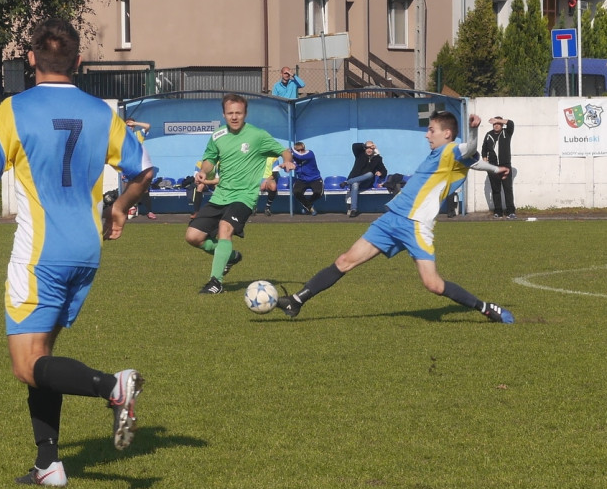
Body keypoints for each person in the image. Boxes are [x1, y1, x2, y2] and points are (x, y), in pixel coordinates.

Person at [0, 17, 155, 487]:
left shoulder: (14, 110)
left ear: (30, 59)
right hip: (86, 250)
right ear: (78, 61)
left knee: (26, 365)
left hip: (40, 251)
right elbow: (143, 170)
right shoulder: (101, 113)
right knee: (43, 356)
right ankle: (48, 463)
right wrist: (119, 211)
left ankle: (112, 386)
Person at [275, 112, 514, 323]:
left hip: (416, 225)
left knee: (433, 284)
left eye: (431, 130)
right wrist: (495, 169)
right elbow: (477, 162)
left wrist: (473, 128)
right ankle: (295, 301)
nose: (426, 135)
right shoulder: (444, 153)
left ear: (447, 133)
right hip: (392, 218)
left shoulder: (452, 150)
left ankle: (485, 307)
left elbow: (471, 149)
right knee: (345, 260)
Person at [186, 93, 294, 294]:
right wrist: (203, 171)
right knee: (193, 237)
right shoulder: (217, 135)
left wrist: (287, 160)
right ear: (224, 114)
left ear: (245, 114)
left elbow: (283, 150)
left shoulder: (258, 136)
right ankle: (231, 256)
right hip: (221, 195)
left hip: (244, 196)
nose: (234, 117)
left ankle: (215, 283)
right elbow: (209, 159)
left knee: (225, 228)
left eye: (238, 113)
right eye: (230, 113)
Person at [482, 116, 516, 219]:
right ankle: (498, 212)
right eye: (494, 124)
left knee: (507, 189)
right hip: (493, 166)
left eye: (498, 124)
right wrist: (484, 157)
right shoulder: (489, 135)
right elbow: (484, 147)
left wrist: (498, 120)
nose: (496, 125)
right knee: (495, 190)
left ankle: (510, 212)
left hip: (505, 165)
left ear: (501, 124)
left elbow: (511, 123)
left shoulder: (507, 132)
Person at [341, 139, 386, 217]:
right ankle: (354, 209)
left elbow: (384, 170)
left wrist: (381, 173)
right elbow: (354, 146)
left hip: (366, 183)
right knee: (355, 184)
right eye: (367, 148)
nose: (369, 150)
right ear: (365, 148)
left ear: (374, 149)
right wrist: (366, 145)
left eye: (371, 148)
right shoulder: (360, 155)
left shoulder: (377, 159)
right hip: (356, 180)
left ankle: (347, 182)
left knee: (370, 174)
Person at [125, 118, 158, 219]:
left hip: (139, 165)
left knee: (144, 189)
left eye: (131, 125)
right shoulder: (121, 137)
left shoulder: (138, 134)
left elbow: (148, 126)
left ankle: (149, 211)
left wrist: (134, 123)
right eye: (128, 125)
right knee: (127, 188)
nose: (129, 127)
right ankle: (129, 210)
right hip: (127, 165)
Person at [291, 141, 324, 215]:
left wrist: (292, 149)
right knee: (296, 192)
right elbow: (292, 165)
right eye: (298, 150)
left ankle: (306, 206)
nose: (300, 152)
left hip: (315, 179)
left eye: (302, 150)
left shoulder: (310, 153)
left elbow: (300, 156)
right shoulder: (294, 158)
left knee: (318, 193)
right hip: (302, 180)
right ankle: (310, 207)